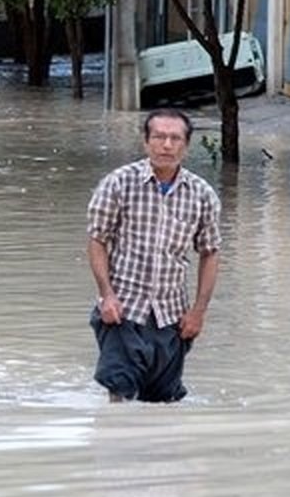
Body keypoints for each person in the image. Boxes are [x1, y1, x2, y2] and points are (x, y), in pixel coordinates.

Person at [85, 108, 221, 403]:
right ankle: (113, 445)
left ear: (186, 145)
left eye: (175, 138)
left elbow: (210, 253)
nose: (167, 145)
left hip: (172, 317)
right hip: (123, 311)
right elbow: (97, 240)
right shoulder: (119, 183)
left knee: (163, 403)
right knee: (119, 395)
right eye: (159, 137)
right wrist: (106, 295)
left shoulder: (202, 194)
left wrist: (198, 311)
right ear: (146, 143)